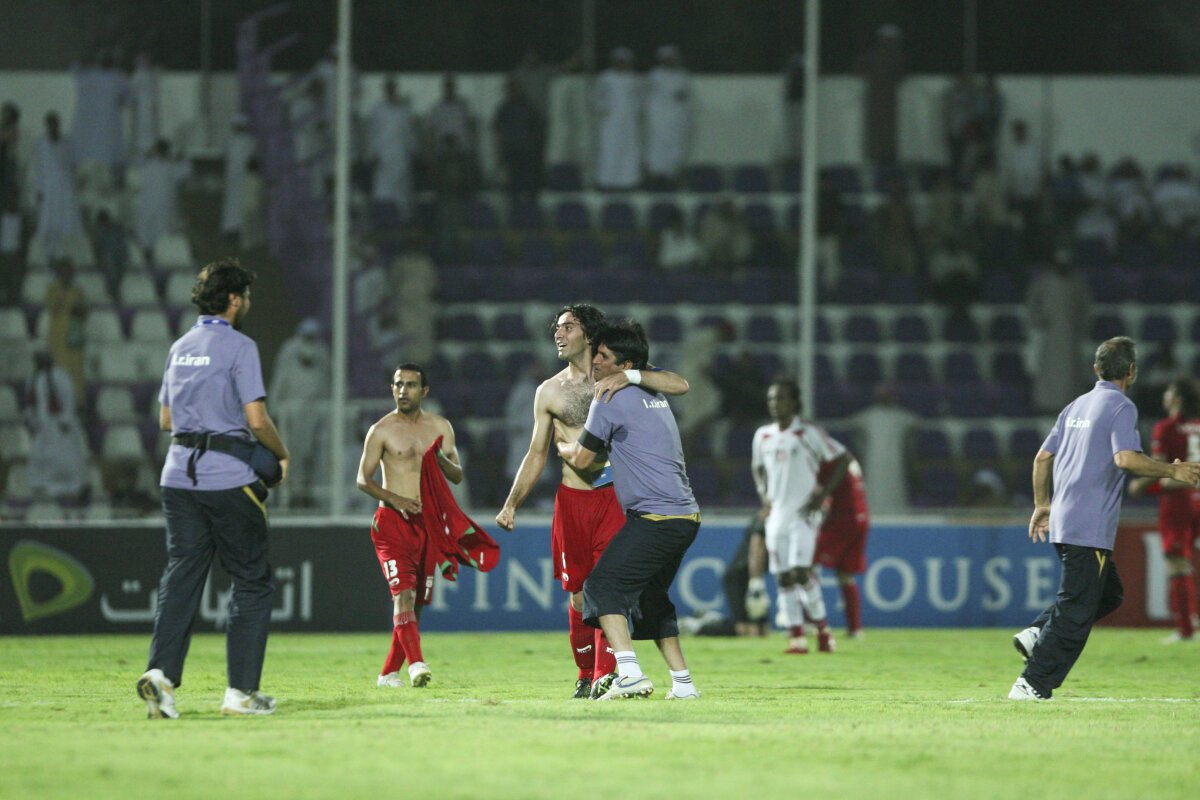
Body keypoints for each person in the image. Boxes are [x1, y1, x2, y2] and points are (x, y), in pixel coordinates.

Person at [496, 304, 689, 699]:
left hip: (614, 497)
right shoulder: (549, 391)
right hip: (573, 501)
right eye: (557, 327)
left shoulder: (620, 376)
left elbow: (678, 384)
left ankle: (607, 674)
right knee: (579, 593)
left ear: (588, 333)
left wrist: (631, 375)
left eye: (568, 326)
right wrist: (512, 503)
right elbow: (536, 453)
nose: (558, 333)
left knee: (608, 587)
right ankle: (586, 674)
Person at [138, 257, 290, 719]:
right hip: (227, 479)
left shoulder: (180, 346)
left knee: (182, 574)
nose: (248, 303)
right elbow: (256, 420)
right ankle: (240, 692)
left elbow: (166, 419)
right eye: (246, 296)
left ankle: (160, 676)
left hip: (178, 476)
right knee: (252, 580)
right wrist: (280, 455)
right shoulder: (240, 346)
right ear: (233, 300)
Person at [1008, 337, 1200, 701]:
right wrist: (1171, 471)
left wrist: (1042, 504)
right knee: (1077, 610)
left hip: (1064, 519)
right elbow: (1125, 458)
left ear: (1096, 369)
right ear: (1131, 371)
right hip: (1089, 524)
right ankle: (1033, 683)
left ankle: (1037, 633)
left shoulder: (1075, 405)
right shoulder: (1121, 406)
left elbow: (1042, 458)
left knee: (1108, 594)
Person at [557, 318, 702, 700]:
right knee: (651, 599)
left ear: (624, 365)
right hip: (685, 517)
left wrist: (564, 447)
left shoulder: (608, 397)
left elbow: (584, 459)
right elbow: (680, 384)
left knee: (600, 586)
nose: (596, 362)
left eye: (604, 357)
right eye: (597, 354)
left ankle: (630, 673)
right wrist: (633, 376)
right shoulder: (652, 388)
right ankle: (684, 685)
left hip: (656, 519)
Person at [357, 363, 496, 689]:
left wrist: (440, 459)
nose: (403, 390)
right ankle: (417, 664)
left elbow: (457, 475)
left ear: (424, 391)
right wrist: (396, 499)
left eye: (410, 385)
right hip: (392, 524)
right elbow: (363, 479)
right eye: (398, 384)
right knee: (403, 595)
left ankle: (388, 673)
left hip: (427, 524)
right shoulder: (381, 430)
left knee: (417, 602)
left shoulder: (440, 426)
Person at [752, 378, 850, 654]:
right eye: (772, 399)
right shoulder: (763, 435)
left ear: (794, 402)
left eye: (781, 398)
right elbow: (758, 467)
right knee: (783, 577)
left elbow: (842, 459)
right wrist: (764, 494)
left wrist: (822, 496)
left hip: (803, 514)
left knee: (801, 572)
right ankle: (796, 637)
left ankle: (822, 630)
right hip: (777, 515)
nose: (775, 403)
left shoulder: (808, 432)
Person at [1127, 378, 1200, 643]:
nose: (1165, 395)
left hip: (1178, 501)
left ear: (1177, 398)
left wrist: (1139, 485)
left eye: (1169, 391)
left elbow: (1159, 467)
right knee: (1184, 561)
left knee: (1177, 561)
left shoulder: (1166, 428)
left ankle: (1186, 630)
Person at [268, 318, 331, 508]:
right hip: (291, 416)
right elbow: (279, 381)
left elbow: (328, 383)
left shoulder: (322, 353)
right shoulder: (289, 352)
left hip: (315, 414)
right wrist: (273, 411)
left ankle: (311, 494)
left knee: (314, 455)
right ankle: (292, 495)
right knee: (292, 454)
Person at [1026, 247, 1092, 415]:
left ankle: (1069, 406)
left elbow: (1086, 308)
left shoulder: (1077, 284)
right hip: (1049, 336)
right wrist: (1038, 320)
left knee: (1070, 372)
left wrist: (1081, 327)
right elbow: (1031, 303)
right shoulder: (1044, 282)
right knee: (1048, 372)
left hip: (1070, 337)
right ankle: (1047, 406)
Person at [814, 451, 870, 639]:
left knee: (807, 564)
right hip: (861, 517)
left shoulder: (832, 462)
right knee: (845, 574)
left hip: (843, 520)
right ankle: (855, 629)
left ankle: (809, 621)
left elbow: (819, 490)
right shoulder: (851, 461)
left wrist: (820, 498)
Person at [24, 349, 89, 504]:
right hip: (42, 425)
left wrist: (66, 420)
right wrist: (33, 422)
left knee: (65, 457)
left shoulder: (61, 376)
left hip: (60, 423)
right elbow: (31, 403)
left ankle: (71, 489)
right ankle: (43, 487)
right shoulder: (33, 378)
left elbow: (68, 399)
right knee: (42, 457)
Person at [847, 383, 918, 515]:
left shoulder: (901, 416)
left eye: (888, 394)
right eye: (882, 394)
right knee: (874, 490)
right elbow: (852, 424)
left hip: (895, 462)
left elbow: (915, 423)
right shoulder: (868, 416)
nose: (885, 397)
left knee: (895, 489)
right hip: (874, 462)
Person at [30, 112, 86, 263]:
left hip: (66, 188)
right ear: (46, 125)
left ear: (59, 124)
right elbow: (38, 169)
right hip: (49, 190)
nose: (53, 126)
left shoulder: (69, 143)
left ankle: (69, 257)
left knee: (68, 223)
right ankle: (50, 257)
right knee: (49, 224)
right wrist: (39, 190)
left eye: (55, 123)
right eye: (50, 123)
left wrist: (73, 183)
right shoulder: (40, 144)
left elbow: (75, 165)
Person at [367, 78, 418, 221]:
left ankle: (403, 221)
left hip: (401, 156)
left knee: (402, 191)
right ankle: (384, 220)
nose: (390, 90)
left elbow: (409, 133)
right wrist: (372, 154)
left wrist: (414, 152)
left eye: (392, 87)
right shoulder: (377, 109)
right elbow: (373, 133)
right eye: (388, 87)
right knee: (383, 190)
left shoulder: (404, 110)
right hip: (383, 157)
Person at [592, 47, 642, 190]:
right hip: (610, 122)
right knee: (609, 151)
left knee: (629, 152)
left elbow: (640, 100)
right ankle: (607, 182)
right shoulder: (605, 78)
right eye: (619, 61)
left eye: (624, 61)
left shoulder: (635, 78)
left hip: (629, 122)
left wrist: (634, 110)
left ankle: (628, 182)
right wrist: (604, 108)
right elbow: (595, 98)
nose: (622, 63)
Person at [642, 45, 691, 190]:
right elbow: (649, 95)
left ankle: (674, 179)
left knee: (676, 149)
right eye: (666, 59)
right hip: (658, 120)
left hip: (676, 120)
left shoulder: (682, 75)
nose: (669, 61)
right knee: (656, 148)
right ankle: (654, 178)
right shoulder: (654, 75)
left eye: (671, 59)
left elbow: (683, 94)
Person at [134, 139, 190, 266]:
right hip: (149, 207)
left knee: (161, 236)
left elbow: (185, 172)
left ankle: (156, 260)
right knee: (147, 235)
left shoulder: (170, 166)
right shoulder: (148, 165)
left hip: (163, 209)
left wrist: (181, 157)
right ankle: (147, 258)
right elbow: (136, 161)